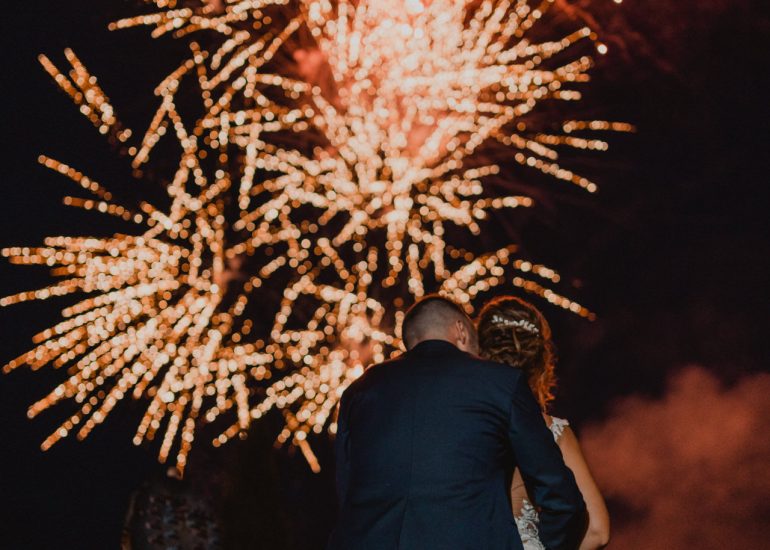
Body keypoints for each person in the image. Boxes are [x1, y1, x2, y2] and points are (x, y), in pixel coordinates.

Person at [328, 295, 586, 550]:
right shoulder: (500, 383)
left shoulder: (358, 391)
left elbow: (346, 490)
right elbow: (561, 498)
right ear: (461, 331)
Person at [477, 296, 610, 550]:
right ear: (541, 362)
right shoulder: (553, 430)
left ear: (478, 353)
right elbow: (597, 531)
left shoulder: (457, 423)